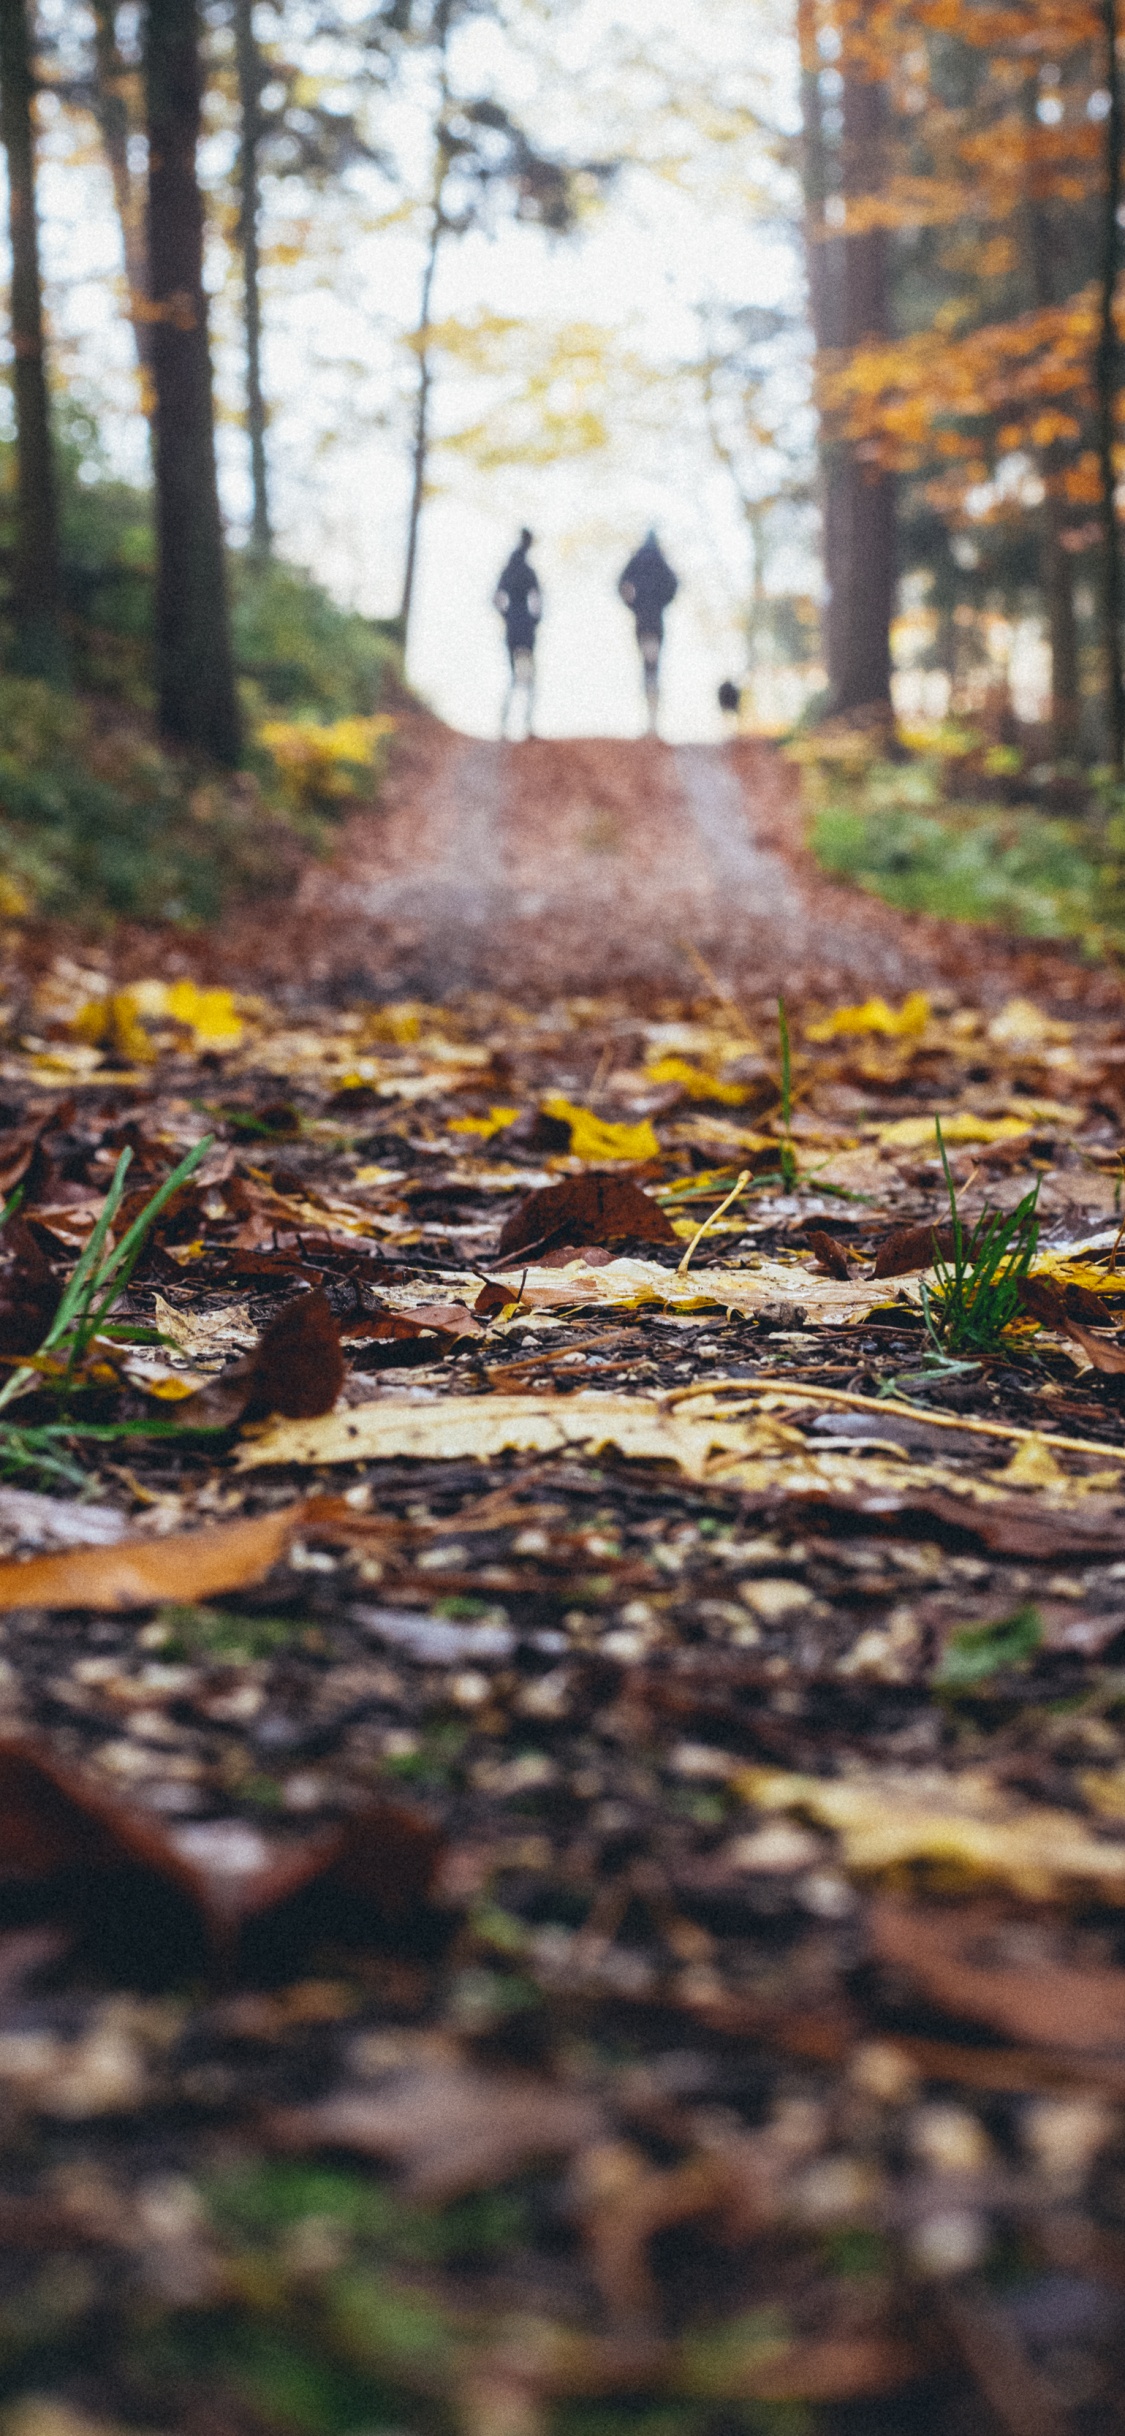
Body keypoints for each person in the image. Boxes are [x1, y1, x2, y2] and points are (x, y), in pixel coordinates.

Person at [618, 529, 678, 735]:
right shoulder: (660, 560)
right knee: (652, 667)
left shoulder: (637, 560)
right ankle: (652, 722)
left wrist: (634, 604)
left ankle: (650, 722)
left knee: (647, 668)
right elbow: (674, 585)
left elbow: (620, 585)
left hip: (642, 621)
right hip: (654, 622)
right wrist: (660, 603)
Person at [494, 528, 542, 740]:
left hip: (513, 627)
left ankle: (505, 726)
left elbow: (496, 598)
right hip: (525, 628)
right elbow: (538, 600)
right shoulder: (528, 571)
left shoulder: (509, 569)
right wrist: (533, 620)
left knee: (513, 677)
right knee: (528, 677)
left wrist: (507, 616)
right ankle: (526, 725)